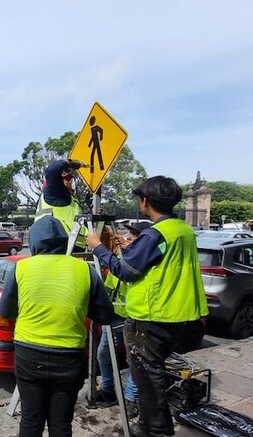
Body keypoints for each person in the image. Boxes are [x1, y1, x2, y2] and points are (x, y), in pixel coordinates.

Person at [86, 176, 208, 437]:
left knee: (147, 381)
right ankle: (152, 426)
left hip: (150, 318)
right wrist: (133, 247)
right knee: (153, 375)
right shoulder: (182, 229)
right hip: (177, 316)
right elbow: (160, 261)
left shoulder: (154, 233)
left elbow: (125, 271)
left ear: (145, 201)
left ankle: (155, 430)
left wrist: (98, 247)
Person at [0, 216, 114, 437]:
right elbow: (106, 316)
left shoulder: (20, 268)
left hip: (28, 354)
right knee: (61, 424)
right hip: (68, 357)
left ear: (33, 242)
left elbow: (5, 311)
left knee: (31, 421)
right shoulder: (86, 270)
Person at [93, 222, 152, 418]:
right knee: (103, 353)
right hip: (115, 315)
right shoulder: (121, 255)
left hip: (135, 317)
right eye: (130, 233)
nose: (129, 237)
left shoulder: (142, 260)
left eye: (135, 235)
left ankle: (130, 400)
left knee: (134, 359)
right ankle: (108, 389)